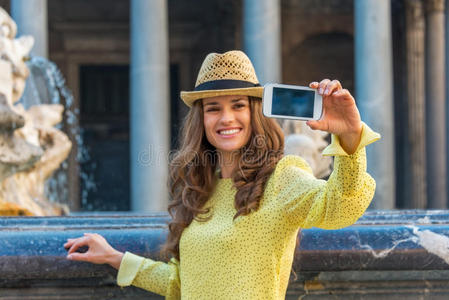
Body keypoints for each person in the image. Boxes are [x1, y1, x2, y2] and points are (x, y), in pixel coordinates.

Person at [64, 50, 380, 299]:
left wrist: (350, 137)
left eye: (238, 105)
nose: (226, 118)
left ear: (254, 112)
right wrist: (115, 257)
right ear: (201, 119)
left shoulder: (282, 176)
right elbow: (181, 284)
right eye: (213, 108)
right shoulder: (201, 187)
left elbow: (341, 206)